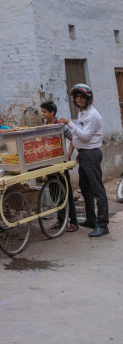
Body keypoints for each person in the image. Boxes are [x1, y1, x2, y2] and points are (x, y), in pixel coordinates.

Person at [58, 84, 109, 238]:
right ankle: (91, 219)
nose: (79, 99)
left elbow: (85, 136)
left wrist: (69, 123)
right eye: (77, 97)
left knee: (97, 189)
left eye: (82, 97)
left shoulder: (92, 115)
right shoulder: (83, 113)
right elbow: (81, 137)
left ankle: (103, 224)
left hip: (91, 154)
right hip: (84, 154)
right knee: (85, 188)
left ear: (88, 98)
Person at [40, 100, 78, 232]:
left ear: (52, 112)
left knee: (66, 193)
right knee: (55, 193)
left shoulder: (61, 126)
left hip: (60, 163)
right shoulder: (44, 124)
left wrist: (68, 154)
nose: (43, 114)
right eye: (42, 111)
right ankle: (61, 220)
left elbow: (73, 139)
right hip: (50, 163)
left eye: (45, 112)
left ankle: (74, 222)